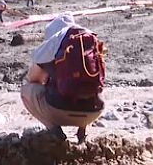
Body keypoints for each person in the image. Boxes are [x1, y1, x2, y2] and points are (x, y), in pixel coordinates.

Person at [20, 14, 104, 143]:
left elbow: (33, 78)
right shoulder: (90, 41)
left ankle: (54, 130)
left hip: (59, 109)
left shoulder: (54, 42)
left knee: (27, 89)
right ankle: (83, 131)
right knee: (88, 85)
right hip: (94, 110)